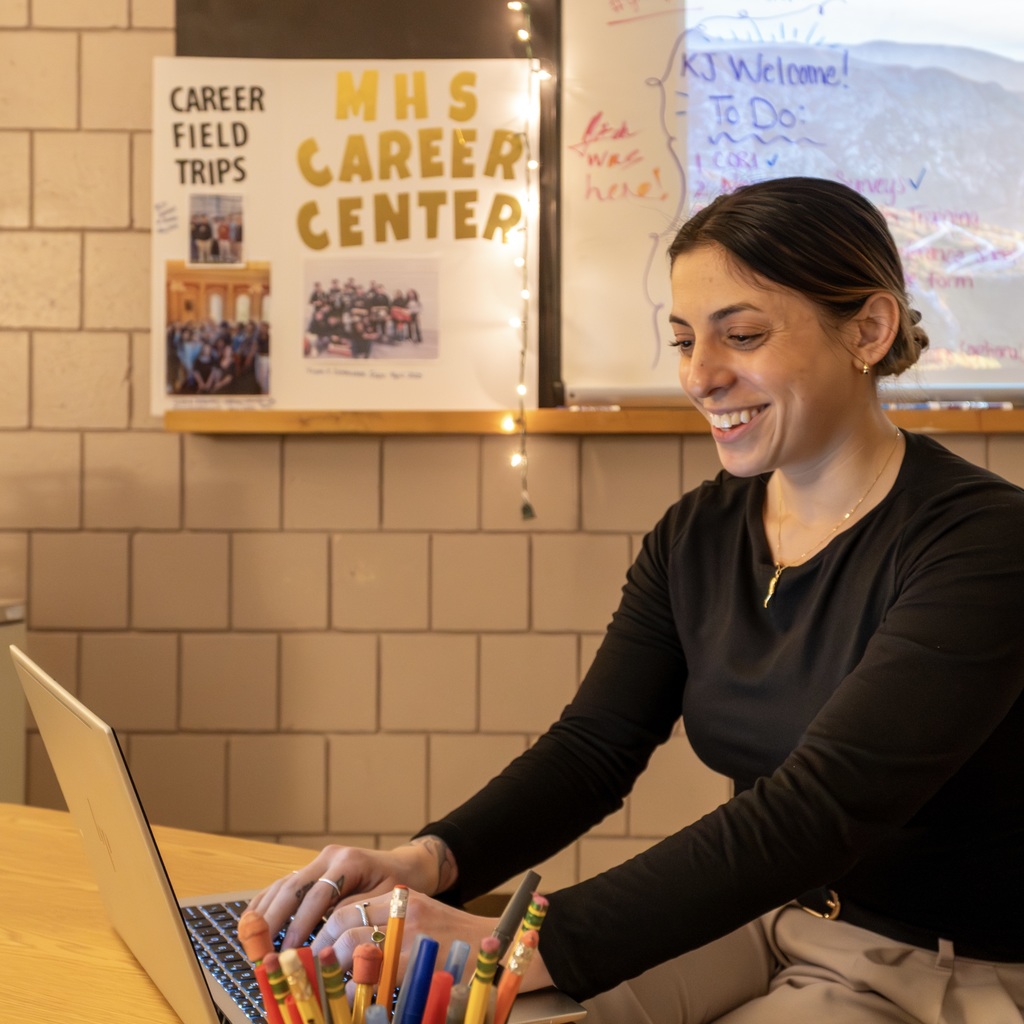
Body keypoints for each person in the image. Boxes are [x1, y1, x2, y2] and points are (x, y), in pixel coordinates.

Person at [246, 177, 1024, 1023]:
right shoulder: (698, 533)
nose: (701, 375)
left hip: (928, 964)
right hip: (765, 920)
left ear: (867, 330)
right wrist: (428, 863)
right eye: (686, 340)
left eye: (743, 335)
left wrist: (512, 942)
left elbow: (816, 812)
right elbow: (593, 750)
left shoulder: (983, 544)